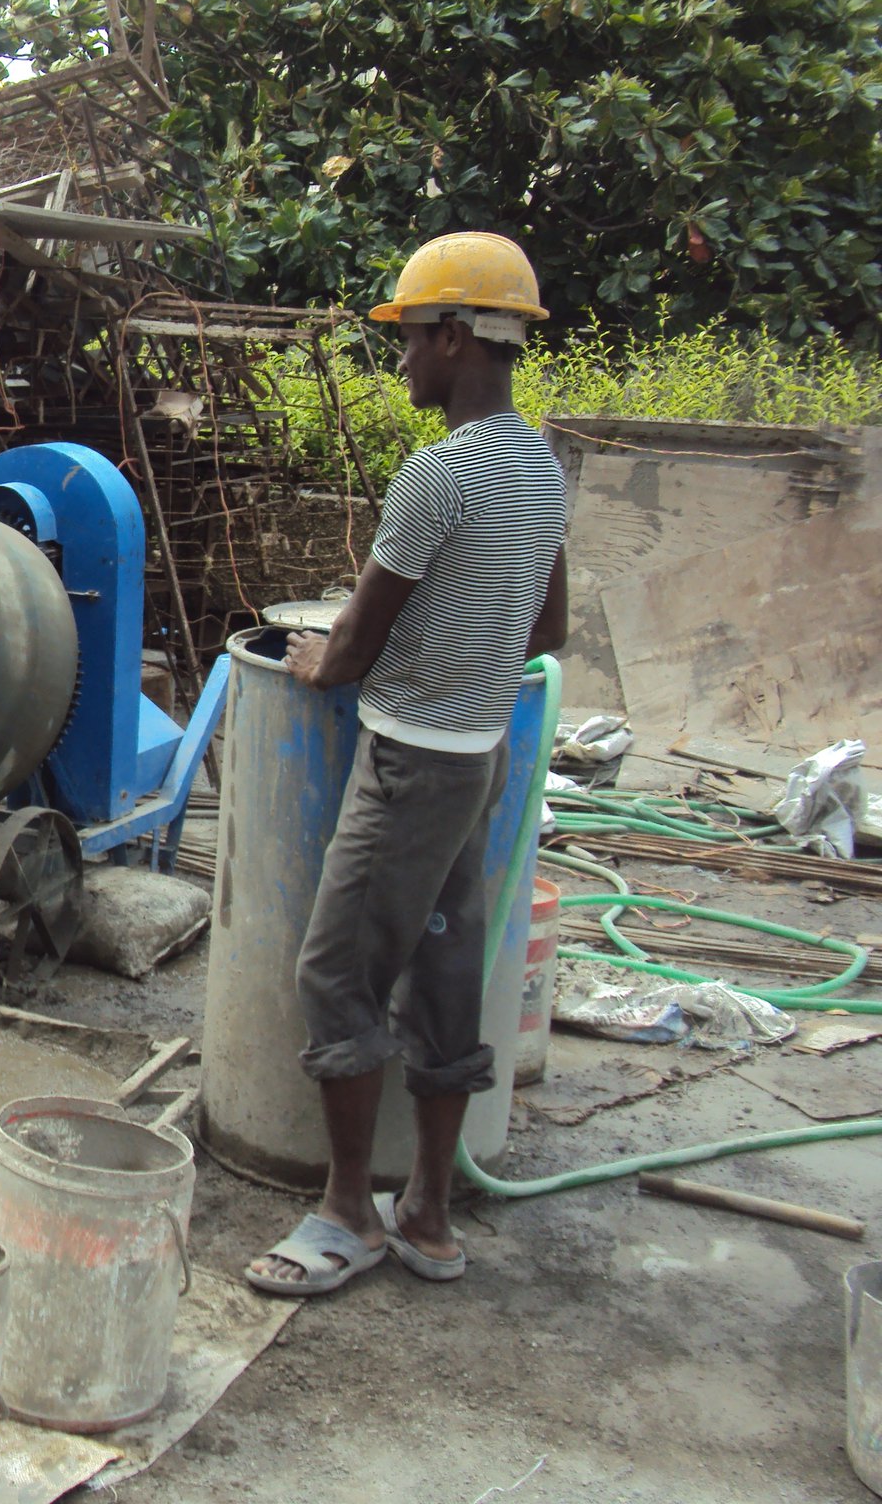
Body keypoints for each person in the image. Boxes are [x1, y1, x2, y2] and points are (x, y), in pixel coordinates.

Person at [245, 232, 569, 1296]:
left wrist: (309, 663)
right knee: (441, 976)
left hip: (407, 768)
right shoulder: (538, 467)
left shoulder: (437, 475)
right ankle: (425, 1210)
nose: (400, 363)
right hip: (475, 759)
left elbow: (348, 649)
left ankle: (347, 1215)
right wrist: (460, 649)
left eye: (406, 339)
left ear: (450, 335)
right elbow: (544, 626)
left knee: (332, 973)